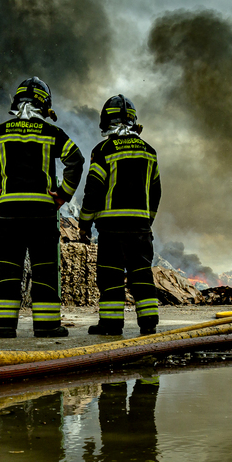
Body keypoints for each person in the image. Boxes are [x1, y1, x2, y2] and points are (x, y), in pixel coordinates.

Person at [0, 77, 84, 338]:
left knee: (7, 270)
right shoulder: (52, 133)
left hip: (9, 215)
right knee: (44, 270)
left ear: (16, 103)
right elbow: (75, 160)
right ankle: (47, 326)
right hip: (42, 214)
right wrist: (63, 194)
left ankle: (5, 327)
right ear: (45, 105)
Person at [78, 94, 161, 336]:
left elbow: (92, 190)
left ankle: (111, 325)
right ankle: (149, 323)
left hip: (112, 230)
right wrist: (148, 220)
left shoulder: (103, 150)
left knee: (110, 276)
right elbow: (156, 191)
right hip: (141, 229)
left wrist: (84, 223)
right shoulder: (149, 151)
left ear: (106, 121)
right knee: (142, 275)